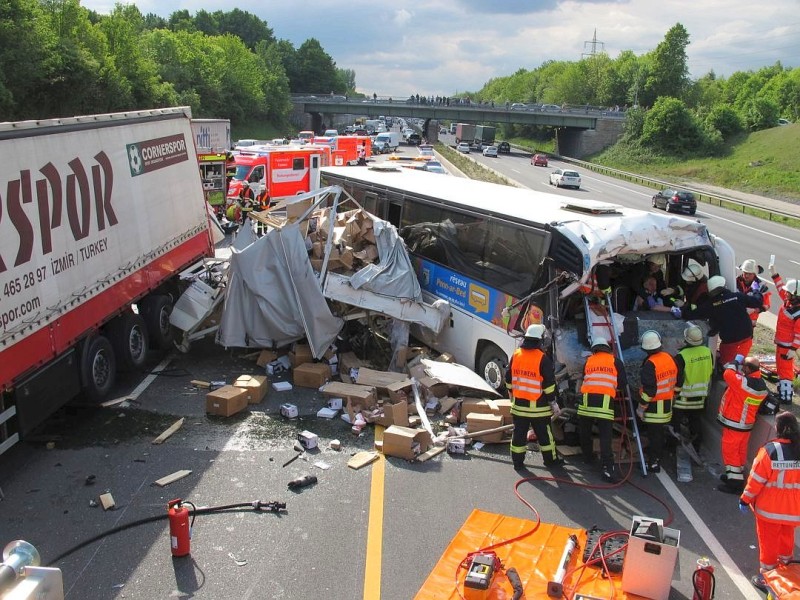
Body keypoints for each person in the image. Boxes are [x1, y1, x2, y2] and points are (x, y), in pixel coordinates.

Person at [740, 411, 800, 593]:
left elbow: (756, 480)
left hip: (769, 511)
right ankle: (786, 571)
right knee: (786, 540)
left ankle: (767, 577)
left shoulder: (770, 451)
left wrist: (745, 499)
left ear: (778, 428)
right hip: (793, 511)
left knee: (768, 543)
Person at [505, 324, 563, 470]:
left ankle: (517, 463)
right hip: (540, 409)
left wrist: (512, 396)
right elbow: (549, 385)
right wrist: (553, 403)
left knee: (518, 436)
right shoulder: (542, 358)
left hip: (519, 407)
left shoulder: (516, 355)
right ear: (540, 340)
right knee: (545, 437)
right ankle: (550, 462)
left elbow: (508, 379)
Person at [675, 275, 762, 365]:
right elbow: (757, 301)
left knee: (727, 365)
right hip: (747, 336)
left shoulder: (710, 305)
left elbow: (689, 315)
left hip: (730, 341)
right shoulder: (738, 297)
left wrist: (683, 307)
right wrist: (756, 290)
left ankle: (726, 373)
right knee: (739, 362)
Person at [577, 337, 627, 482]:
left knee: (584, 431)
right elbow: (622, 384)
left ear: (595, 349)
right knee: (606, 436)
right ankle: (607, 468)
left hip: (586, 402)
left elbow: (584, 377)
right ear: (607, 348)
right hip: (604, 404)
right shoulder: (615, 361)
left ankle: (587, 457)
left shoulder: (589, 361)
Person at [717, 355, 768, 494]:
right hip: (746, 424)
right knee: (740, 452)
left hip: (734, 423)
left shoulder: (743, 383)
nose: (741, 367)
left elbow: (728, 373)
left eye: (743, 365)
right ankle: (735, 476)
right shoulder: (761, 384)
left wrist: (736, 360)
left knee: (730, 452)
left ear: (748, 368)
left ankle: (735, 484)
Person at [636, 330, 677, 473]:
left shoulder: (650, 364)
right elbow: (678, 380)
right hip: (667, 405)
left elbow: (650, 391)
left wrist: (641, 407)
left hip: (655, 408)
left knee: (655, 436)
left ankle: (654, 463)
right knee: (658, 434)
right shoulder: (668, 358)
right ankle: (656, 457)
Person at [672, 324, 713, 453]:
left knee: (675, 424)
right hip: (700, 397)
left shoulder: (681, 356)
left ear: (686, 339)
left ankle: (673, 448)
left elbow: (677, 378)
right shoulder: (708, 352)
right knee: (695, 423)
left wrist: (674, 395)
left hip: (682, 398)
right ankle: (696, 449)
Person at [769, 260, 800, 405]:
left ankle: (786, 397)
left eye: (788, 292)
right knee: (781, 369)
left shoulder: (798, 313)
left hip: (787, 347)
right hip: (782, 343)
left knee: (786, 371)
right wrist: (774, 274)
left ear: (795, 295)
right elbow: (780, 288)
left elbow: (799, 334)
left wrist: (793, 349)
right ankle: (782, 391)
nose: (785, 293)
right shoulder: (789, 303)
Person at [736, 259, 771, 328]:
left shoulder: (762, 286)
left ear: (755, 273)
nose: (746, 276)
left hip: (749, 322)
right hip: (734, 317)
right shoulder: (735, 281)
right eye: (745, 272)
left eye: (750, 274)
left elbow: (767, 305)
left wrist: (754, 310)